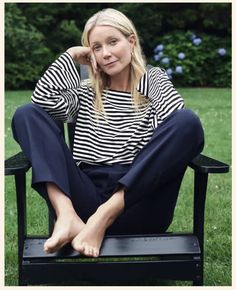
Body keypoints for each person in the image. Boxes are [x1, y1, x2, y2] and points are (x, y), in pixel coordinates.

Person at [12, 8, 204, 258]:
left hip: (138, 203)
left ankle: (103, 217)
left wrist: (142, 75)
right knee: (26, 113)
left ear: (131, 41)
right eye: (96, 47)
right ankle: (66, 216)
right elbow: (42, 100)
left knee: (188, 121)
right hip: (85, 201)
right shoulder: (86, 92)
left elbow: (180, 126)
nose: (106, 53)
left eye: (113, 42)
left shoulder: (153, 81)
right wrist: (70, 56)